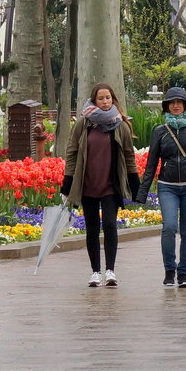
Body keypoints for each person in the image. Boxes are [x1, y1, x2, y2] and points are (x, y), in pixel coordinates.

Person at [135, 87, 186, 288]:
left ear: (185, 105)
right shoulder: (160, 132)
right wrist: (142, 193)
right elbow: (151, 164)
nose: (176, 106)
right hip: (167, 186)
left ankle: (184, 273)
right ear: (167, 107)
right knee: (169, 227)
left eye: (179, 102)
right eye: (172, 103)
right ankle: (169, 270)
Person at [61, 83, 139, 288]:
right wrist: (68, 180)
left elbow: (129, 155)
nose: (105, 102)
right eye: (101, 98)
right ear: (94, 101)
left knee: (111, 225)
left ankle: (110, 270)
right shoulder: (84, 124)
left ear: (113, 99)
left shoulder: (121, 125)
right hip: (87, 184)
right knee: (92, 228)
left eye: (108, 98)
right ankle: (95, 271)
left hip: (110, 184)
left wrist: (134, 181)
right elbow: (71, 152)